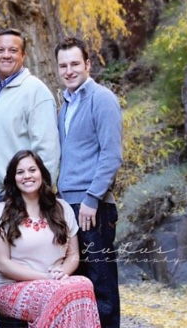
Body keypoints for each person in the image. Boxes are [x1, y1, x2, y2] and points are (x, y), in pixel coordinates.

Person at [0, 150, 100, 328]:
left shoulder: (62, 208)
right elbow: (2, 263)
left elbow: (73, 255)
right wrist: (45, 278)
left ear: (41, 173)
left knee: (84, 284)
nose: (27, 176)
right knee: (61, 294)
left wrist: (61, 273)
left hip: (56, 283)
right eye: (20, 172)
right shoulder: (2, 211)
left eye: (32, 170)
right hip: (10, 288)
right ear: (14, 179)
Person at [55, 37, 123, 328]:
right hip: (68, 206)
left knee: (101, 281)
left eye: (75, 64)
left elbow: (111, 154)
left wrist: (92, 198)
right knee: (78, 283)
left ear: (88, 64)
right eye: (63, 66)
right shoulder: (65, 106)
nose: (69, 71)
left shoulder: (101, 99)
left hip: (93, 207)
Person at [0, 28, 60, 204]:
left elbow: (47, 150)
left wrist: (39, 198)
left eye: (13, 50)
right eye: (0, 50)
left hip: (19, 196)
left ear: (23, 55)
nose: (6, 55)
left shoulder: (36, 91)